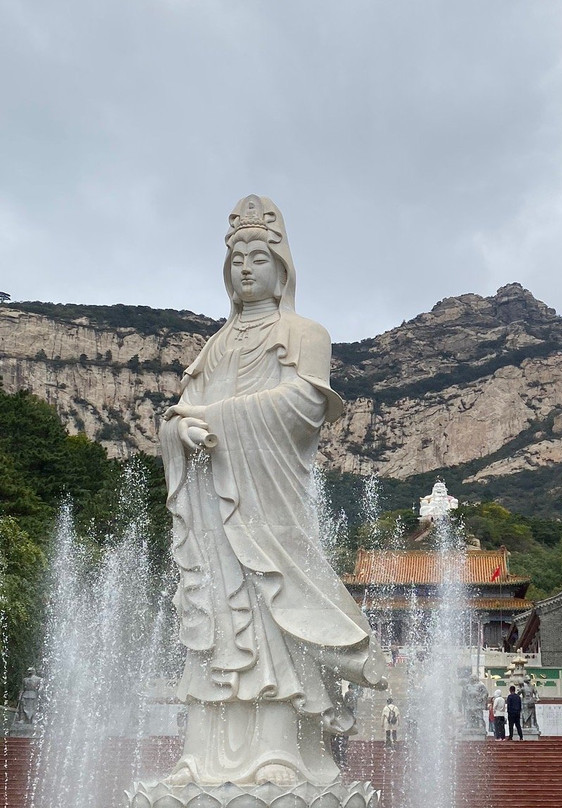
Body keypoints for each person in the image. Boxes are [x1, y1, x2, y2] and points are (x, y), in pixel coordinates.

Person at [159, 195, 387, 789]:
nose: (244, 267)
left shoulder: (305, 334)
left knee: (271, 607)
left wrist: (216, 417)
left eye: (258, 256)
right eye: (235, 257)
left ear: (282, 265)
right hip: (215, 498)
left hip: (267, 499)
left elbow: (304, 405)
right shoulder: (213, 346)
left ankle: (281, 750)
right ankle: (201, 754)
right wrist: (180, 429)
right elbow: (178, 413)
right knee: (219, 609)